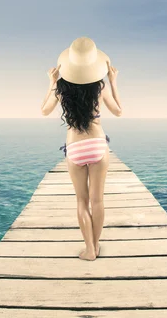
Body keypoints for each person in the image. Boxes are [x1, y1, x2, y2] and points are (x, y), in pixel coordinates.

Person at [41, 37, 122, 261]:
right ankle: (95, 246)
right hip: (97, 145)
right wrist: (113, 82)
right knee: (98, 201)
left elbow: (44, 111)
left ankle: (89, 250)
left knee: (81, 201)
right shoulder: (100, 87)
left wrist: (51, 83)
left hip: (75, 147)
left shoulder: (61, 88)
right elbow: (118, 111)